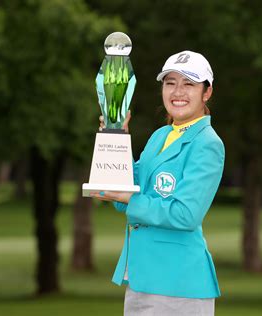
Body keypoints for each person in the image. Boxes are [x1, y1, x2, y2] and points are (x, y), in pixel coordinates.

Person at [91, 50, 225, 316]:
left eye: (189, 83)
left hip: (179, 283)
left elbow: (185, 215)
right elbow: (125, 194)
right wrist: (117, 137)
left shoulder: (207, 144)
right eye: (170, 82)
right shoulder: (160, 136)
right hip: (142, 278)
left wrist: (131, 200)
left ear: (207, 92)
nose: (178, 91)